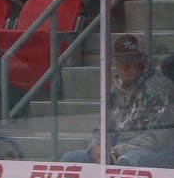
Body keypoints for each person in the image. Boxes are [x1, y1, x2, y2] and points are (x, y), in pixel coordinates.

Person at [61, 35, 174, 168]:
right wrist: (97, 146)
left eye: (131, 60)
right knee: (70, 159)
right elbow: (102, 127)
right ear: (114, 63)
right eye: (121, 60)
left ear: (141, 61)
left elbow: (159, 138)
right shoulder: (113, 89)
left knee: (126, 161)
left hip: (151, 153)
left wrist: (118, 150)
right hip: (114, 150)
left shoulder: (159, 87)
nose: (126, 66)